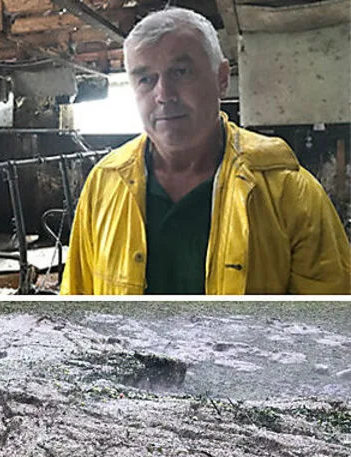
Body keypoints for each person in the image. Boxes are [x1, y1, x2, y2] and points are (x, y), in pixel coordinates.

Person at [61, 7, 350, 295]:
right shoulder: (104, 184)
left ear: (222, 79)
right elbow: (75, 308)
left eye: (181, 72)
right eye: (145, 78)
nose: (164, 95)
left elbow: (331, 321)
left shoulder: (287, 190)